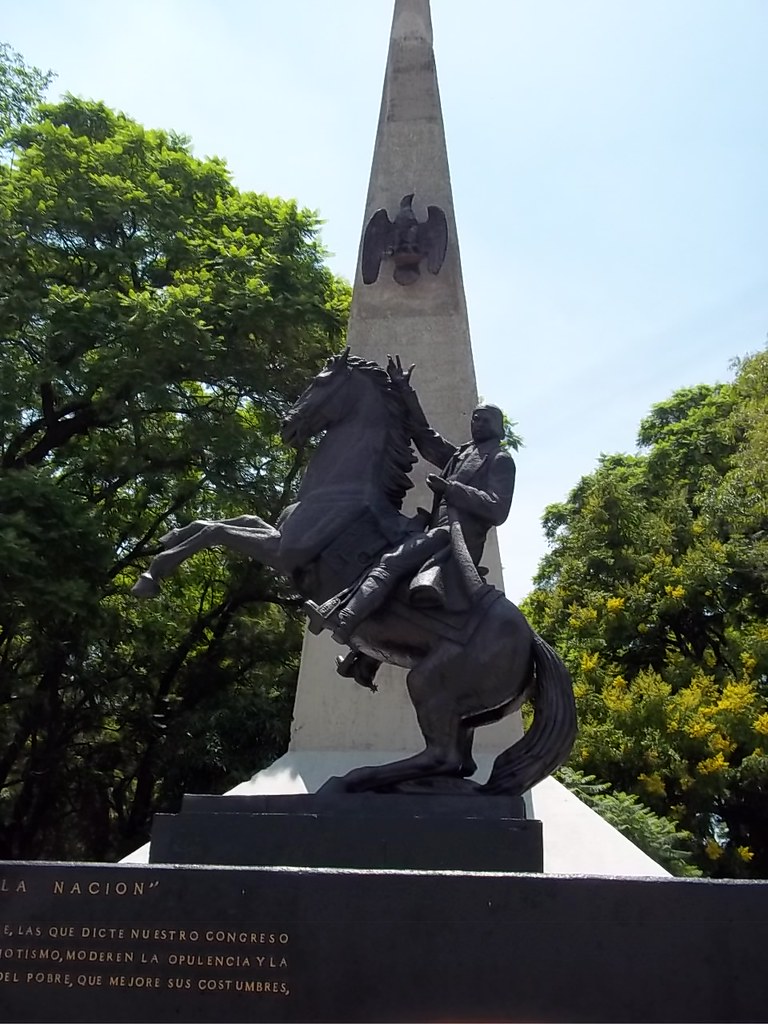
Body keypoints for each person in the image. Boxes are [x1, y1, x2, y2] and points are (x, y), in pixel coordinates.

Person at [332, 355, 516, 644]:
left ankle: (346, 620)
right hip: (435, 530)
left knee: (392, 562)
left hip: (456, 536)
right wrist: (404, 389)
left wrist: (451, 489)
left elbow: (497, 508)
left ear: (498, 427)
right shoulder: (461, 454)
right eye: (475, 417)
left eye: (485, 420)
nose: (478, 423)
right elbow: (425, 436)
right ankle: (368, 651)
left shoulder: (499, 459)